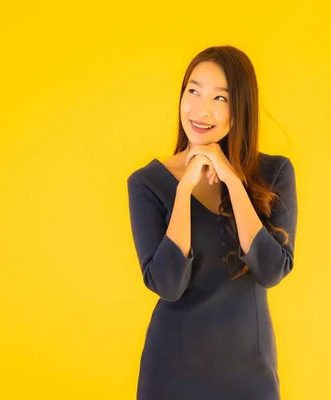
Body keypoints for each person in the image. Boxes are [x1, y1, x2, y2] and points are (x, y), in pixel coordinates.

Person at [126, 45, 298, 400]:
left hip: (250, 376)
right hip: (170, 375)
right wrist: (184, 188)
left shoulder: (275, 173)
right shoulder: (146, 183)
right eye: (193, 90)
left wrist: (233, 182)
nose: (201, 109)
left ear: (241, 109)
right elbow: (168, 284)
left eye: (220, 97)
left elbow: (271, 270)